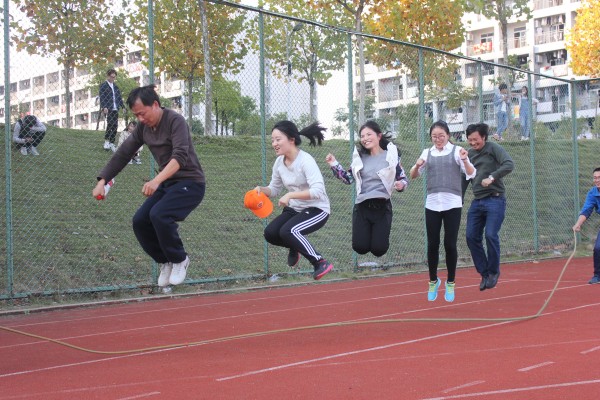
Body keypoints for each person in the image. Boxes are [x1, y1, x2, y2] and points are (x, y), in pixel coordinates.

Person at [92, 85, 206, 287]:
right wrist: (103, 180)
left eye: (142, 113)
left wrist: (156, 180)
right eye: (136, 116)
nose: (140, 119)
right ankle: (165, 261)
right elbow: (123, 153)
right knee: (140, 221)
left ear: (155, 104)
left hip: (190, 182)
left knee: (160, 215)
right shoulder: (143, 128)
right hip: (168, 184)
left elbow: (180, 157)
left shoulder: (175, 121)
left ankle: (180, 259)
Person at [253, 120, 333, 280]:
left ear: (291, 139)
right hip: (295, 209)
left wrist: (290, 195)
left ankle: (320, 262)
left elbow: (318, 191)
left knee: (289, 231)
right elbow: (274, 189)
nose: (274, 144)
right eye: (272, 140)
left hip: (317, 209)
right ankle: (295, 245)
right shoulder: (279, 163)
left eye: (278, 139)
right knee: (270, 233)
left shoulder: (306, 160)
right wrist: (261, 190)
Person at [410, 121, 476, 302]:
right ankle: (433, 280)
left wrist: (465, 160)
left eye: (441, 136)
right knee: (432, 244)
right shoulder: (427, 153)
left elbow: (471, 173)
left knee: (450, 244)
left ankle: (451, 282)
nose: (438, 139)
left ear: (448, 135)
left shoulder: (457, 151)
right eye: (434, 136)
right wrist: (416, 165)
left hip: (452, 203)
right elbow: (413, 175)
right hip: (432, 204)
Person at [325, 120, 408, 258]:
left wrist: (401, 185)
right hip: (362, 206)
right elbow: (348, 178)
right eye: (362, 136)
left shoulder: (391, 156)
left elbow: (403, 178)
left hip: (382, 206)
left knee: (379, 249)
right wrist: (334, 163)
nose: (365, 138)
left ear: (379, 136)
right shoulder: (360, 158)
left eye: (369, 134)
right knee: (360, 247)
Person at [463, 123, 514, 291]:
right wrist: (458, 200)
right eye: (469, 140)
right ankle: (484, 273)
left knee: (491, 234)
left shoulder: (493, 148)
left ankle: (493, 272)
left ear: (484, 137)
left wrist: (492, 177)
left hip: (495, 199)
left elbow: (508, 164)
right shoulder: (469, 155)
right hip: (477, 201)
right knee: (471, 236)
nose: (472, 143)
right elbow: (465, 177)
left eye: (475, 139)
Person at [572, 167, 600, 284]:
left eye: (599, 177)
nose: (597, 180)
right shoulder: (592, 193)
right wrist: (578, 224)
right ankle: (597, 276)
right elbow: (586, 210)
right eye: (595, 178)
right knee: (598, 248)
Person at [99, 69, 125, 152]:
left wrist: (123, 107)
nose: (112, 79)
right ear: (108, 76)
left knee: (115, 125)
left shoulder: (116, 87)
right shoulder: (103, 86)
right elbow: (102, 97)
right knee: (110, 124)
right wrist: (104, 107)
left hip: (115, 108)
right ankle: (106, 141)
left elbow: (119, 97)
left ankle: (111, 142)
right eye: (111, 77)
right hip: (108, 108)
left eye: (114, 77)